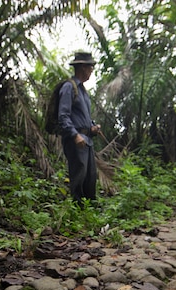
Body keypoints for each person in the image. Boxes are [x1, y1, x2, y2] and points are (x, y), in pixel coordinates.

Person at [57, 51, 101, 204]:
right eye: (90, 67)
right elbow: (63, 116)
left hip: (87, 140)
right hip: (76, 140)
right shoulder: (69, 87)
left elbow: (83, 117)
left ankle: (89, 211)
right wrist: (75, 135)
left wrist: (92, 127)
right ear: (82, 67)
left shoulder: (83, 91)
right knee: (78, 176)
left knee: (90, 177)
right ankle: (77, 211)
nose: (91, 71)